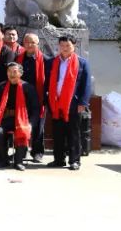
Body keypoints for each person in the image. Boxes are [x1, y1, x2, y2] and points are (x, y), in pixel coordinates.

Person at [47, 36, 91, 171]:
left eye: (68, 46)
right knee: (58, 132)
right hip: (55, 103)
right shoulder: (52, 62)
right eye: (62, 46)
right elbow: (47, 82)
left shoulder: (82, 63)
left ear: (74, 46)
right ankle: (59, 159)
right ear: (58, 46)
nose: (64, 48)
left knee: (74, 133)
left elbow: (86, 85)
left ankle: (74, 160)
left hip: (73, 103)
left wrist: (83, 102)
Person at [0, 62, 40, 171]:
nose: (12, 74)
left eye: (15, 72)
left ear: (20, 73)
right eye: (9, 71)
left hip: (23, 120)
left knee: (23, 130)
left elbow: (36, 109)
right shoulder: (0, 87)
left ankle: (18, 161)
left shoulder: (29, 88)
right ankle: (3, 159)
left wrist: (31, 124)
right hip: (5, 119)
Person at [17, 32, 48, 162]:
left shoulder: (46, 60)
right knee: (21, 124)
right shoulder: (18, 59)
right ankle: (21, 151)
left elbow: (49, 81)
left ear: (38, 44)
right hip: (22, 97)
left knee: (38, 126)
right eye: (27, 42)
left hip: (39, 98)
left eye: (33, 42)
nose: (29, 45)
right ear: (23, 43)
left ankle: (37, 152)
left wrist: (46, 98)